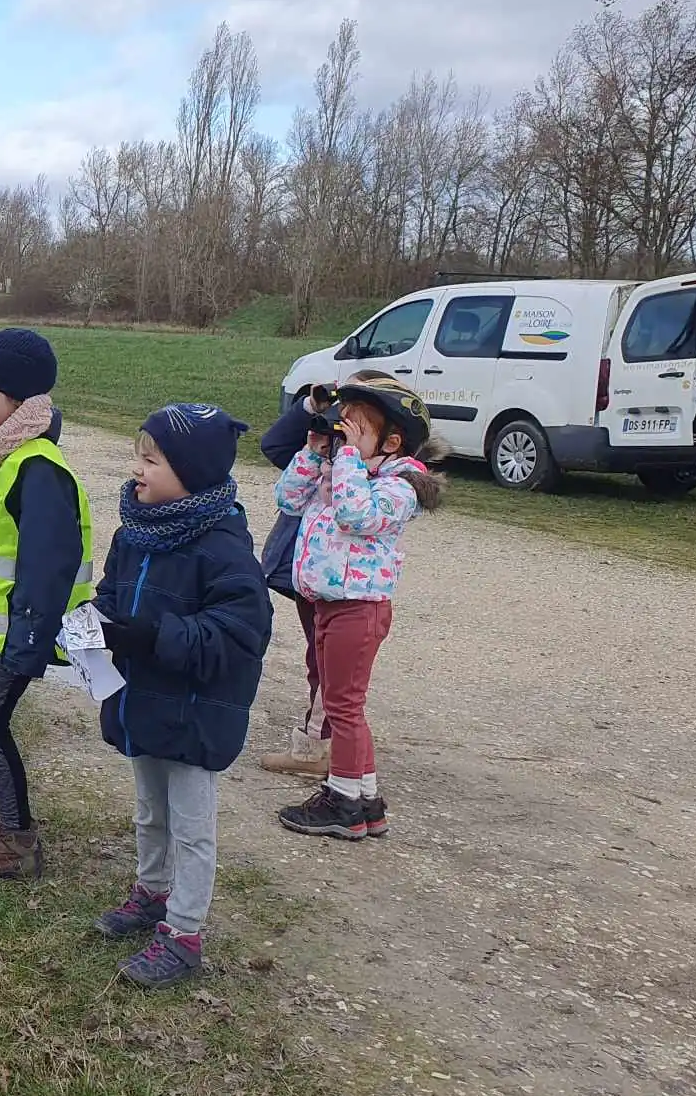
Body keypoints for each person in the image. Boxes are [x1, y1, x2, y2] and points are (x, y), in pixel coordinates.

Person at [90, 404, 273, 988]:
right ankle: (151, 891)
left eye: (152, 460)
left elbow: (242, 634)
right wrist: (92, 622)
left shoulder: (224, 549)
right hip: (142, 700)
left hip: (195, 713)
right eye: (137, 456)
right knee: (149, 809)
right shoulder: (135, 532)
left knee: (191, 825)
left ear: (191, 473)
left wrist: (153, 635)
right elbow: (113, 595)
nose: (137, 469)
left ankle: (184, 931)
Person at [0, 328, 92, 881]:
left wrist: (29, 639)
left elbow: (48, 563)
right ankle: (9, 825)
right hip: (1, 624)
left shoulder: (38, 466)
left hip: (21, 627)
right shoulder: (1, 455)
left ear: (20, 398)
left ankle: (19, 841)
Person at [272, 377, 444, 841]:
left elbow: (356, 517)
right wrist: (313, 452)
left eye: (354, 429)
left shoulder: (401, 487)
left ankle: (343, 801)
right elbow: (287, 498)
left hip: (359, 609)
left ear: (391, 442)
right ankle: (366, 799)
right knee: (344, 703)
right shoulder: (341, 472)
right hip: (330, 604)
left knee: (344, 708)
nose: (341, 434)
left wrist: (344, 458)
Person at [254, 370, 397, 779]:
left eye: (353, 418)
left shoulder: (389, 479)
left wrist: (347, 456)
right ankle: (321, 750)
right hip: (312, 580)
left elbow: (355, 513)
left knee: (340, 687)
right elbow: (282, 478)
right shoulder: (331, 457)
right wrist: (315, 426)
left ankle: (332, 765)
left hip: (349, 591)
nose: (342, 422)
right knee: (318, 665)